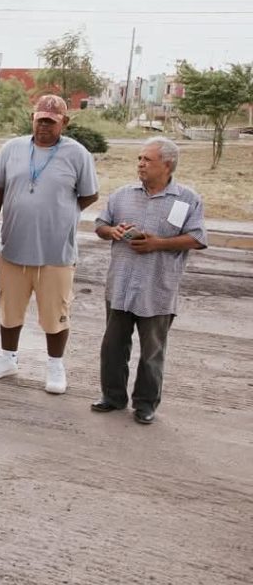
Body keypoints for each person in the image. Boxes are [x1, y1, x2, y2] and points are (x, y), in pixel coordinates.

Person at [0, 94, 99, 393]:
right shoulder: (11, 149)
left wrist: (60, 213)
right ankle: (7, 358)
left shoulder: (78, 154)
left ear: (64, 123)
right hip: (14, 246)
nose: (44, 126)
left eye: (51, 121)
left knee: (55, 313)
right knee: (9, 308)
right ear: (32, 119)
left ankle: (55, 366)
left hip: (56, 252)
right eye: (40, 119)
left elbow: (89, 195)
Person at [91, 137, 206, 424]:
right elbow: (100, 225)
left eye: (147, 160)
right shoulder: (122, 194)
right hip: (120, 286)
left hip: (158, 288)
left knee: (152, 351)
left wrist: (159, 244)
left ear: (167, 165)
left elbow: (197, 238)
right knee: (113, 347)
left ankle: (145, 404)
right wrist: (113, 231)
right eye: (139, 159)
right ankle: (113, 397)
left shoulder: (187, 199)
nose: (140, 164)